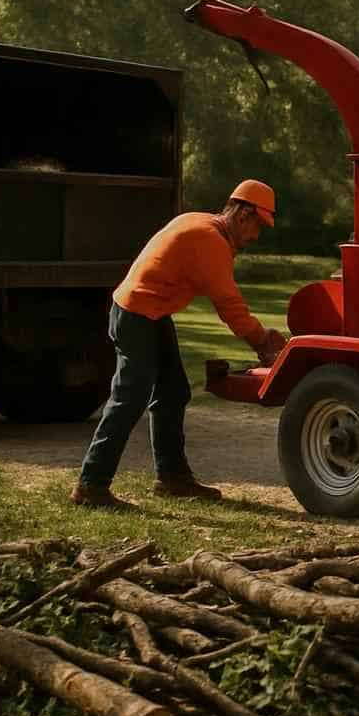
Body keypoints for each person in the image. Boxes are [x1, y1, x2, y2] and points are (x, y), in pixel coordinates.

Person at [71, 180, 288, 510]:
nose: (256, 236)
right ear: (244, 214)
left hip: (150, 313)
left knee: (173, 392)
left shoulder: (200, 223)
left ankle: (172, 478)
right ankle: (91, 485)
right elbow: (229, 305)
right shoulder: (209, 240)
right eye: (258, 226)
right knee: (129, 398)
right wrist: (261, 342)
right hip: (137, 315)